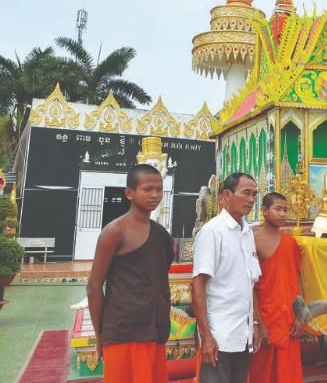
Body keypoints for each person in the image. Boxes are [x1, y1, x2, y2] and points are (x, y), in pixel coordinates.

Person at [87, 164, 174, 383]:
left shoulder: (162, 235)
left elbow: (157, 278)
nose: (155, 195)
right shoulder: (115, 231)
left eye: (159, 189)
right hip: (123, 331)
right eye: (147, 189)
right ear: (129, 193)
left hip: (154, 329)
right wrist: (100, 335)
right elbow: (94, 286)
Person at [193, 172, 262, 383]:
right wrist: (206, 335)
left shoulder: (247, 232)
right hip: (218, 336)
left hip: (242, 334)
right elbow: (198, 284)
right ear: (226, 195)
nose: (251, 199)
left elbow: (249, 283)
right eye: (246, 193)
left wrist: (255, 323)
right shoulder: (212, 232)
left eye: (254, 194)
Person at [248, 192, 303, 382]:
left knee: (288, 371)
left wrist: (300, 315)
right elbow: (249, 284)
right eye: (278, 209)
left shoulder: (290, 242)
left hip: (288, 315)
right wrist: (257, 321)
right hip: (265, 312)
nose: (282, 214)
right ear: (264, 211)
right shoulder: (252, 239)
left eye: (285, 210)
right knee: (262, 371)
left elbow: (296, 279)